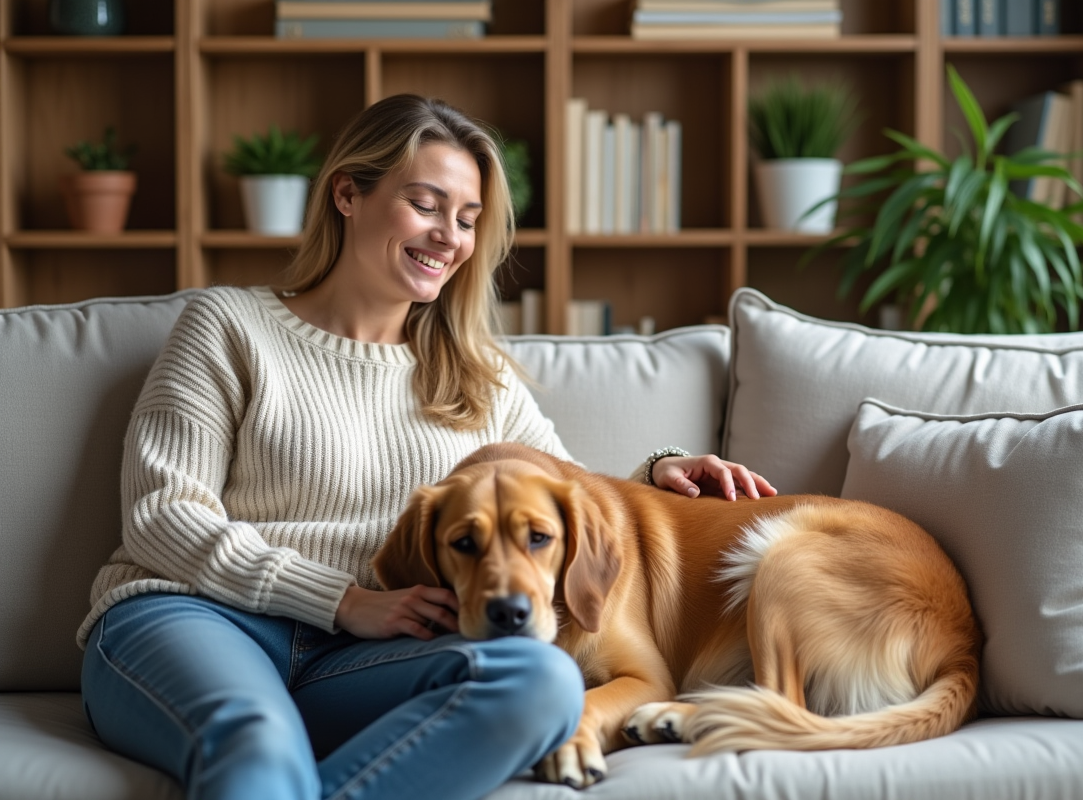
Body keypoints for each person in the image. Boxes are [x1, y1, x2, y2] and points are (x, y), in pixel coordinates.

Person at [77, 93, 776, 800]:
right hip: (195, 618)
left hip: (357, 659)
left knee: (544, 682)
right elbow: (162, 514)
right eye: (427, 205)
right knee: (256, 745)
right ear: (348, 193)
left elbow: (559, 490)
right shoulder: (228, 326)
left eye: (467, 220)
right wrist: (341, 599)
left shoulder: (476, 373)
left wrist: (659, 469)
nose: (450, 235)